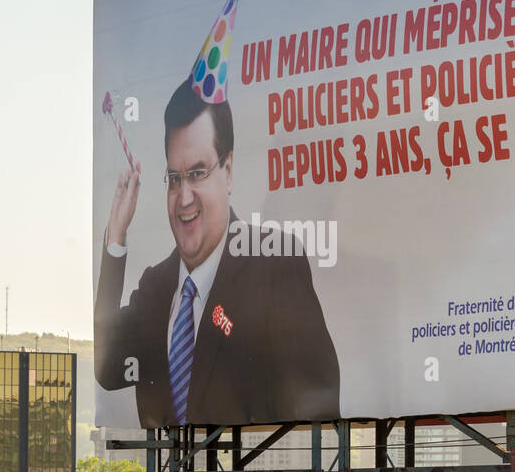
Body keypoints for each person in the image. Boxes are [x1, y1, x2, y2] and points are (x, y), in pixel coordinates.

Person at [94, 80, 340, 427]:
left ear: (227, 171)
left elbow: (318, 403)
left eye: (197, 173)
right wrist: (115, 240)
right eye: (174, 178)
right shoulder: (155, 286)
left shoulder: (274, 264)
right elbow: (107, 367)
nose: (184, 198)